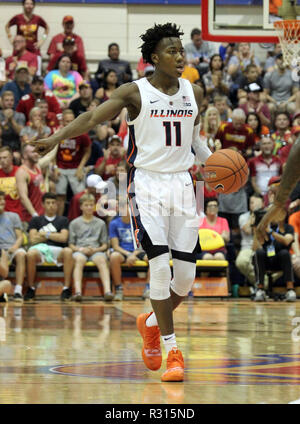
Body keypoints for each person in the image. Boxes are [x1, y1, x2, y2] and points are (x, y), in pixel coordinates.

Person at [30, 22, 213, 383]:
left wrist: (215, 163)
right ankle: (173, 349)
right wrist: (56, 137)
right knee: (160, 266)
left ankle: (149, 321)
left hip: (183, 185)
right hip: (147, 185)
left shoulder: (194, 91)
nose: (180, 57)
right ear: (154, 57)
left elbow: (197, 144)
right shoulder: (135, 92)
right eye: (172, 51)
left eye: (182, 50)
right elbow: (91, 117)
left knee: (186, 278)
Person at [25, 192, 73, 302]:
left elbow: (63, 238)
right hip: (40, 249)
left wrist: (45, 234)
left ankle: (66, 289)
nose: (51, 205)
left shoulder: (63, 220)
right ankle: (31, 288)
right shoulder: (35, 220)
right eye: (48, 203)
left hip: (58, 250)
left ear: (57, 204)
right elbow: (32, 240)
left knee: (68, 251)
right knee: (30, 253)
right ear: (43, 204)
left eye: (53, 203)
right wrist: (55, 235)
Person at [69, 193, 113, 302]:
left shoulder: (100, 223)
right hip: (80, 250)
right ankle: (78, 292)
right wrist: (80, 249)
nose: (89, 207)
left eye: (91, 205)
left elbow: (104, 245)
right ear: (81, 207)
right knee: (78, 260)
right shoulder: (74, 223)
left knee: (102, 260)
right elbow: (71, 244)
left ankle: (107, 291)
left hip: (96, 250)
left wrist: (96, 250)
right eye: (86, 205)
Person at [53, 109, 91, 215]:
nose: (69, 124)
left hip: (76, 167)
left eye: (71, 121)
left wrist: (81, 168)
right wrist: (54, 167)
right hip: (60, 167)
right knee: (60, 196)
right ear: (62, 122)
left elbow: (87, 151)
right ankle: (58, 221)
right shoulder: (57, 133)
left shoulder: (82, 133)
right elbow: (52, 153)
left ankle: (81, 219)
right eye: (67, 121)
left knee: (80, 196)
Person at [109, 201, 149, 301]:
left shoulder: (139, 223)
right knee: (114, 257)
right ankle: (118, 289)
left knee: (153, 258)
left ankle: (148, 288)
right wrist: (129, 254)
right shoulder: (114, 223)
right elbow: (115, 246)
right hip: (123, 251)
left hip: (138, 250)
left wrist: (134, 254)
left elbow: (142, 243)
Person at [253, 212, 296, 302]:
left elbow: (286, 241)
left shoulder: (288, 228)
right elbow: (255, 247)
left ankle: (290, 290)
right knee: (258, 253)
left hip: (281, 261)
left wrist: (271, 233)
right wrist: (257, 230)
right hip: (267, 259)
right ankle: (260, 289)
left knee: (285, 253)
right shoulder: (265, 228)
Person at [0, 190, 26, 302]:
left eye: (3, 199)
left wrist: (14, 247)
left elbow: (20, 237)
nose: (2, 202)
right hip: (0, 250)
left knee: (21, 254)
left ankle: (18, 291)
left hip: (11, 248)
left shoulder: (13, 216)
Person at [235, 193, 264, 287]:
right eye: (251, 203)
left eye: (256, 203)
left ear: (263, 204)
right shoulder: (243, 217)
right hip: (247, 248)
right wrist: (254, 216)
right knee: (241, 262)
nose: (253, 205)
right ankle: (262, 282)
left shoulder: (267, 216)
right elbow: (247, 230)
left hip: (263, 247)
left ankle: (261, 284)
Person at [16, 143, 46, 223]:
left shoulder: (37, 167)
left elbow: (49, 157)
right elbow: (23, 197)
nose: (36, 154)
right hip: (30, 218)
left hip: (42, 214)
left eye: (37, 151)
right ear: (25, 155)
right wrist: (34, 215)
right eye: (33, 152)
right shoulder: (22, 172)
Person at [0, 90, 25, 160]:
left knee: (16, 156)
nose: (9, 102)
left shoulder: (20, 115)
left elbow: (21, 133)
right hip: (2, 145)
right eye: (7, 100)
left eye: (11, 100)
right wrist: (5, 121)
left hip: (16, 147)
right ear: (2, 101)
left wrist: (11, 120)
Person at [0, 146, 22, 218]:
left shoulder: (20, 172)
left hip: (18, 214)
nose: (2, 160)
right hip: (2, 216)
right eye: (0, 158)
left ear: (11, 157)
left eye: (5, 157)